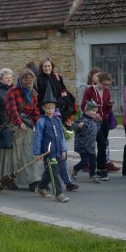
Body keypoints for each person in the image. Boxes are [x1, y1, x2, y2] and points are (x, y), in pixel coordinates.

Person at [36, 56, 78, 190]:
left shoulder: (57, 77)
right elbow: (41, 97)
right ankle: (45, 184)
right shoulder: (40, 80)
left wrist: (64, 94)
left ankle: (67, 182)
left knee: (60, 149)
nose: (47, 68)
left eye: (49, 66)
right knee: (51, 158)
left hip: (59, 110)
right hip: (48, 110)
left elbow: (63, 89)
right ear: (41, 68)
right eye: (44, 67)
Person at [0, 68, 42, 191]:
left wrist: (38, 124)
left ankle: (33, 180)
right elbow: (11, 109)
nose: (28, 81)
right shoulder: (12, 91)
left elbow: (34, 111)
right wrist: (19, 123)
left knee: (29, 153)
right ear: (20, 79)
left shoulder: (33, 93)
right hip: (14, 126)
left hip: (27, 126)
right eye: (25, 79)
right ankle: (9, 180)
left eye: (31, 79)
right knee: (13, 155)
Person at [33, 87, 70, 203]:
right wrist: (37, 153)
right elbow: (37, 137)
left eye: (52, 108)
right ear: (43, 108)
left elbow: (61, 136)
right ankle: (58, 193)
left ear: (55, 108)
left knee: (50, 171)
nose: (50, 110)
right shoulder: (41, 122)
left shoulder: (57, 120)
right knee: (54, 172)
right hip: (48, 152)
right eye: (48, 108)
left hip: (58, 150)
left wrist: (64, 149)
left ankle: (40, 187)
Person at [82, 68, 120, 173]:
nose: (106, 87)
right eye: (104, 84)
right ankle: (100, 168)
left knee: (103, 145)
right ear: (98, 81)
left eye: (108, 85)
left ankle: (100, 167)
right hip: (93, 121)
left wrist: (109, 106)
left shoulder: (106, 91)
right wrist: (93, 113)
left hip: (104, 121)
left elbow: (106, 108)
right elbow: (83, 106)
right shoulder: (90, 90)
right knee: (102, 143)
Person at [71, 100, 100, 183]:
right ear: (87, 110)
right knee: (85, 161)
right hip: (82, 145)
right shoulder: (81, 119)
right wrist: (78, 126)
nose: (95, 113)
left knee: (93, 161)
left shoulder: (93, 120)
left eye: (96, 111)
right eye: (93, 111)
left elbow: (96, 130)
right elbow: (73, 126)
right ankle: (75, 169)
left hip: (91, 145)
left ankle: (92, 175)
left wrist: (99, 121)